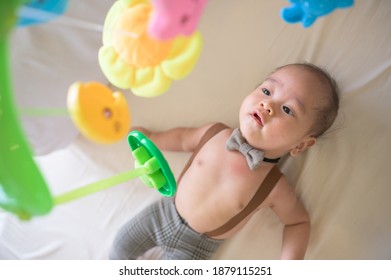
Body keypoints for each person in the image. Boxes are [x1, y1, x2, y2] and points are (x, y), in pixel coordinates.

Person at [109, 62, 339, 260]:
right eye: (267, 91)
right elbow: (182, 138)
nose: (268, 105)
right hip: (162, 212)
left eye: (288, 109)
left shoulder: (274, 186)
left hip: (195, 247)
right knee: (119, 248)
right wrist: (152, 138)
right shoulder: (214, 133)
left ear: (301, 145)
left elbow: (298, 222)